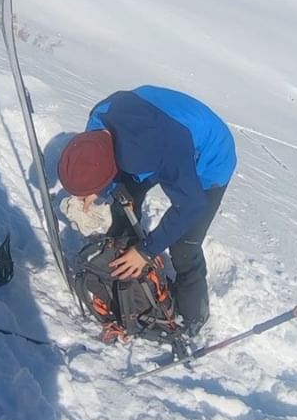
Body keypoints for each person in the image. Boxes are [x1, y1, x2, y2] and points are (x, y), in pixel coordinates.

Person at [57, 85, 236, 337]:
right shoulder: (99, 119)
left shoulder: (159, 153)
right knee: (124, 202)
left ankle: (194, 316)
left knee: (184, 245)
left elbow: (191, 204)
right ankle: (121, 271)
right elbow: (106, 165)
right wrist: (95, 186)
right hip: (162, 125)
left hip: (210, 157)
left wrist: (145, 250)